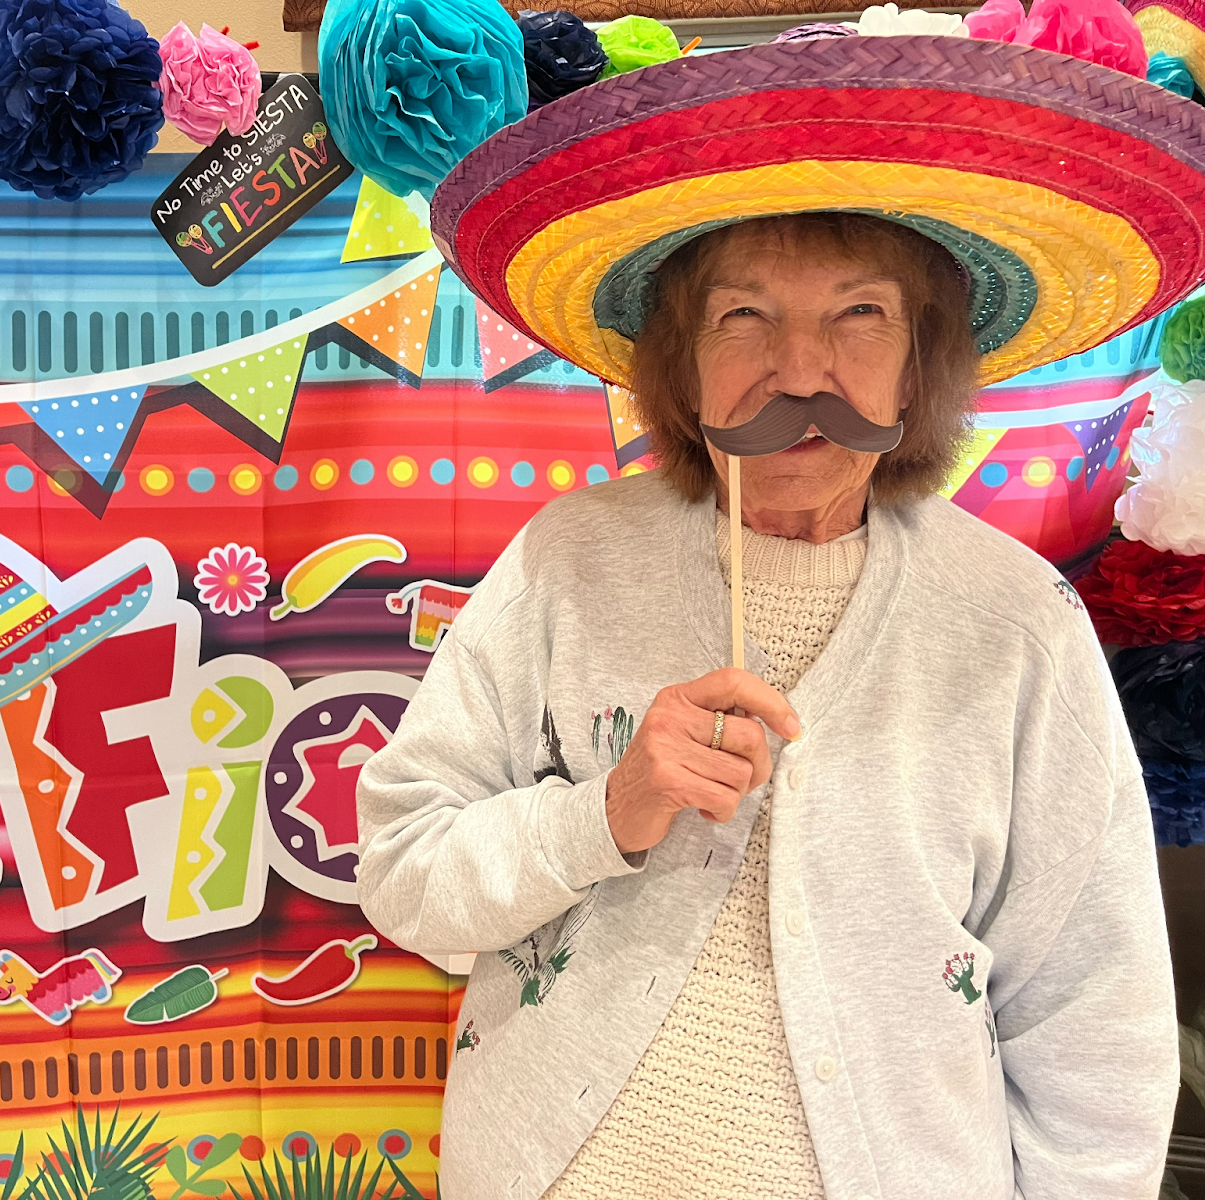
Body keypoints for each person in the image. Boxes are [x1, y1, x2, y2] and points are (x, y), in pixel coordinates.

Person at [355, 26, 1204, 1200]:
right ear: (677, 366)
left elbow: (1092, 1018)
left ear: (919, 367)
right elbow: (404, 874)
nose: (799, 374)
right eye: (741, 319)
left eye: (860, 316)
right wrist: (606, 810)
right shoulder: (569, 560)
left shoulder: (1018, 623)